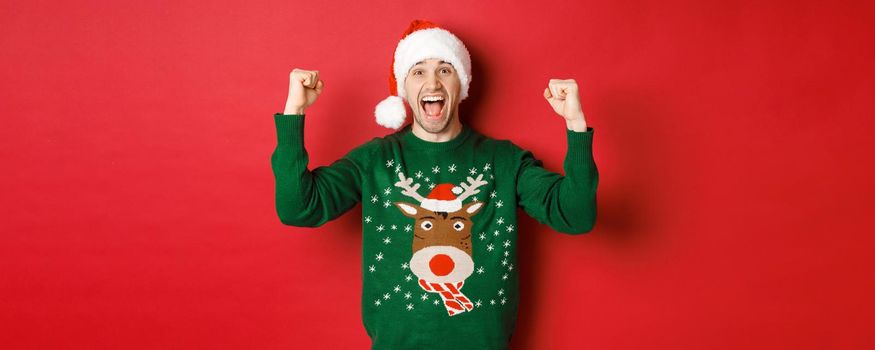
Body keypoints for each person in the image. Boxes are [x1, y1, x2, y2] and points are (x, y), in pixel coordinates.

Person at [271, 19, 598, 350]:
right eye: (418, 71)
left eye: (445, 70)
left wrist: (575, 124)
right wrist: (294, 110)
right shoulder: (375, 160)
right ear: (404, 88)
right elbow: (298, 208)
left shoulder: (505, 161)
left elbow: (575, 216)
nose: (432, 83)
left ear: (462, 82)